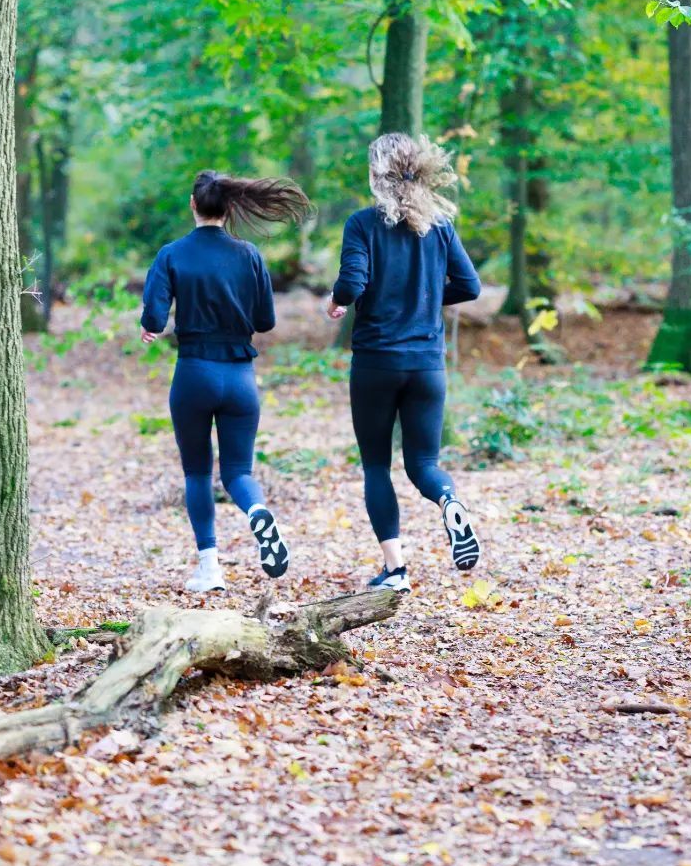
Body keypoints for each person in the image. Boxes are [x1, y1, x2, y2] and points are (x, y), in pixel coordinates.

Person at [326, 132, 483, 592]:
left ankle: (395, 571)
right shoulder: (439, 227)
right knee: (423, 465)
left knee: (377, 466)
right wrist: (429, 299)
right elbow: (470, 286)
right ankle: (448, 499)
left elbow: (353, 283)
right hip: (428, 364)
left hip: (377, 361)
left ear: (377, 174)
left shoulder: (362, 224)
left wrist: (338, 301)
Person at [141, 170, 311, 592]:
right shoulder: (249, 254)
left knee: (197, 473)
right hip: (240, 378)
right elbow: (266, 321)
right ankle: (257, 511)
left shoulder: (172, 254)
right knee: (238, 471)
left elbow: (154, 318)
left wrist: (152, 326)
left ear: (193, 206)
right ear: (230, 208)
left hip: (194, 373)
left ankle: (210, 569)